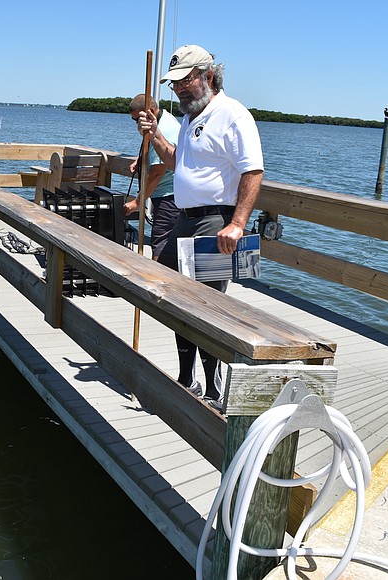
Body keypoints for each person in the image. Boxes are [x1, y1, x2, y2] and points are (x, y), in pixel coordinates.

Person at [137, 45, 264, 401]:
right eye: (174, 84)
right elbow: (177, 162)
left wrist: (238, 223)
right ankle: (186, 377)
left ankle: (213, 386)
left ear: (208, 76)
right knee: (178, 300)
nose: (178, 89)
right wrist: (155, 135)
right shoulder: (191, 117)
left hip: (215, 221)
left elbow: (253, 170)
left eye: (185, 81)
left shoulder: (232, 114)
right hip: (185, 219)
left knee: (207, 307)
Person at [124, 94, 180, 261]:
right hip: (170, 194)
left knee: (161, 245)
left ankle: (156, 276)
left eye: (137, 119)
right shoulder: (166, 118)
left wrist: (137, 202)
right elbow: (156, 156)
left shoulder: (164, 130)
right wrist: (141, 159)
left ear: (151, 111)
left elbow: (157, 173)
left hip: (168, 198)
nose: (136, 123)